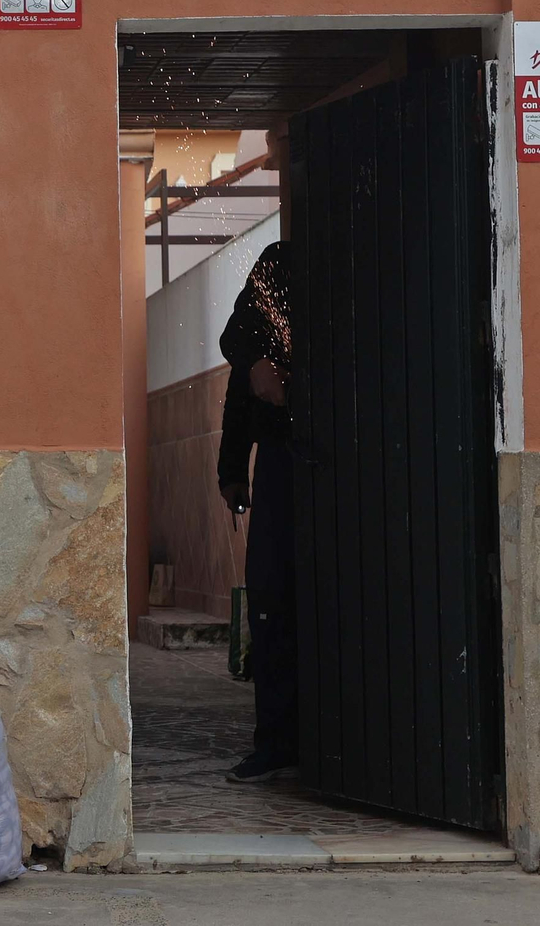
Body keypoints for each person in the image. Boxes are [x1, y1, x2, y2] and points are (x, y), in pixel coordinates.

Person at [217, 239, 298, 783]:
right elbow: (236, 359)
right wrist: (232, 474)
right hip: (282, 469)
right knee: (270, 602)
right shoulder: (279, 267)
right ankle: (276, 739)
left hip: (341, 472)